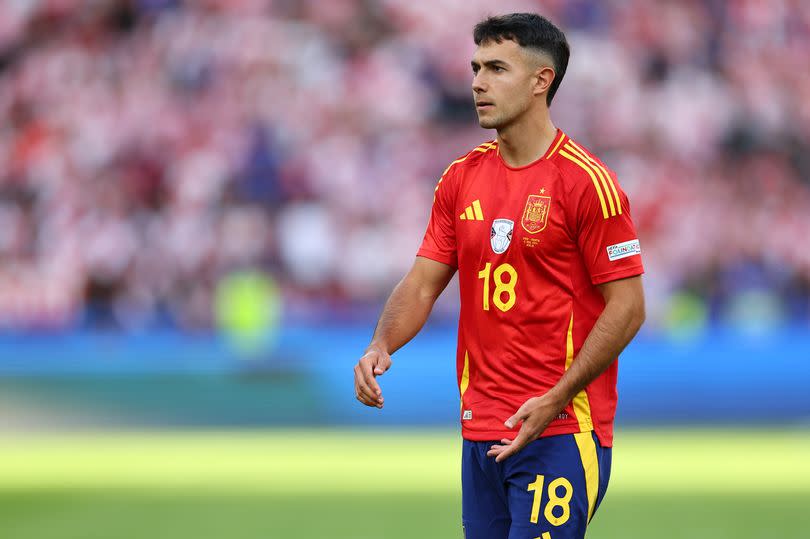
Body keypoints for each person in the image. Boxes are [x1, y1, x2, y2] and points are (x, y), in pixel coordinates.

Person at [353, 12, 645, 539]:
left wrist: (557, 395)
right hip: (481, 430)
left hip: (559, 428)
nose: (477, 83)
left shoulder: (587, 183)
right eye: (475, 67)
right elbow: (422, 283)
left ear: (541, 81)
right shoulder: (461, 178)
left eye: (496, 68)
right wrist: (381, 343)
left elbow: (629, 307)